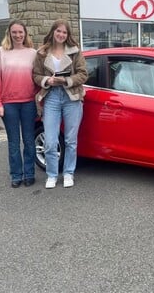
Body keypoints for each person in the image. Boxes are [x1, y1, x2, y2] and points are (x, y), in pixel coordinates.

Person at [33, 19, 87, 189]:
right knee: (50, 140)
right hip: (51, 97)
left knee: (71, 140)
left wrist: (65, 80)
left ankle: (69, 173)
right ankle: (52, 174)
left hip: (71, 96)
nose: (61, 35)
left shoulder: (75, 51)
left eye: (64, 32)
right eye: (58, 31)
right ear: (53, 32)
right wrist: (47, 80)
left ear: (68, 34)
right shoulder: (42, 53)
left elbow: (83, 74)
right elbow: (35, 75)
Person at [0, 20, 38, 188]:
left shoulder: (32, 53)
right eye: (14, 32)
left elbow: (37, 79)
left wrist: (39, 99)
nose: (18, 35)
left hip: (29, 103)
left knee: (29, 140)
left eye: (21, 32)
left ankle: (30, 173)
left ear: (25, 34)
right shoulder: (0, 52)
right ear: (9, 34)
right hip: (8, 104)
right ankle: (16, 175)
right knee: (13, 142)